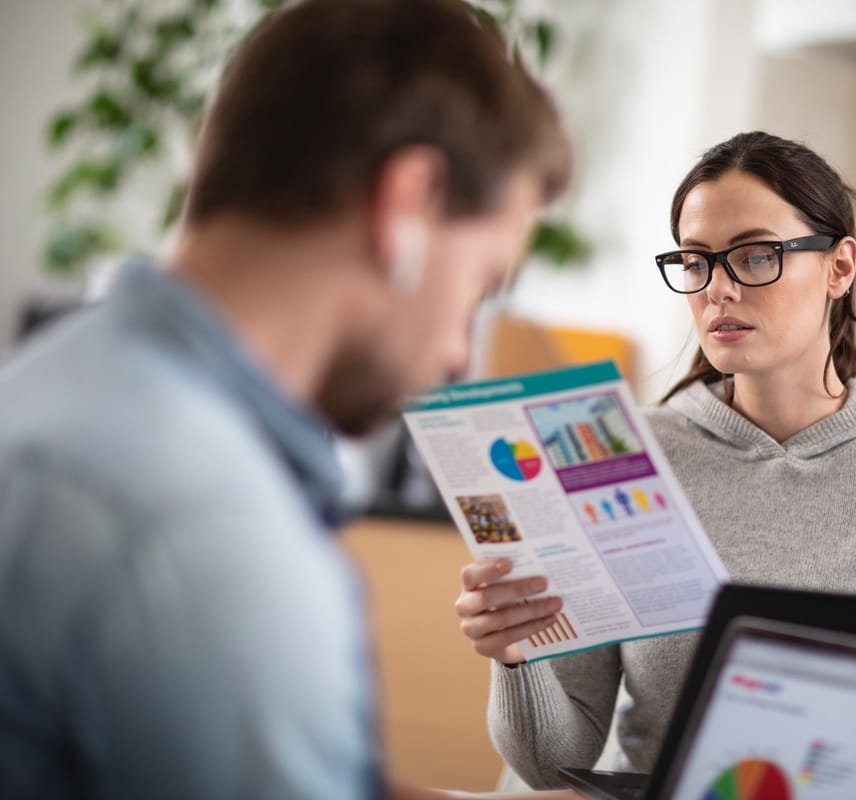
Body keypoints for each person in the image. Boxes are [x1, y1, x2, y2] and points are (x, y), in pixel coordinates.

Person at [0, 1, 576, 798]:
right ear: (406, 206)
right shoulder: (206, 530)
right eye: (480, 284)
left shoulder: (60, 380)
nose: (455, 351)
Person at [453, 131, 856, 787]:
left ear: (840, 267)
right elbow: (558, 762)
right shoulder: (625, 458)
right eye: (696, 262)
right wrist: (516, 656)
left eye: (754, 256)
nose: (717, 289)